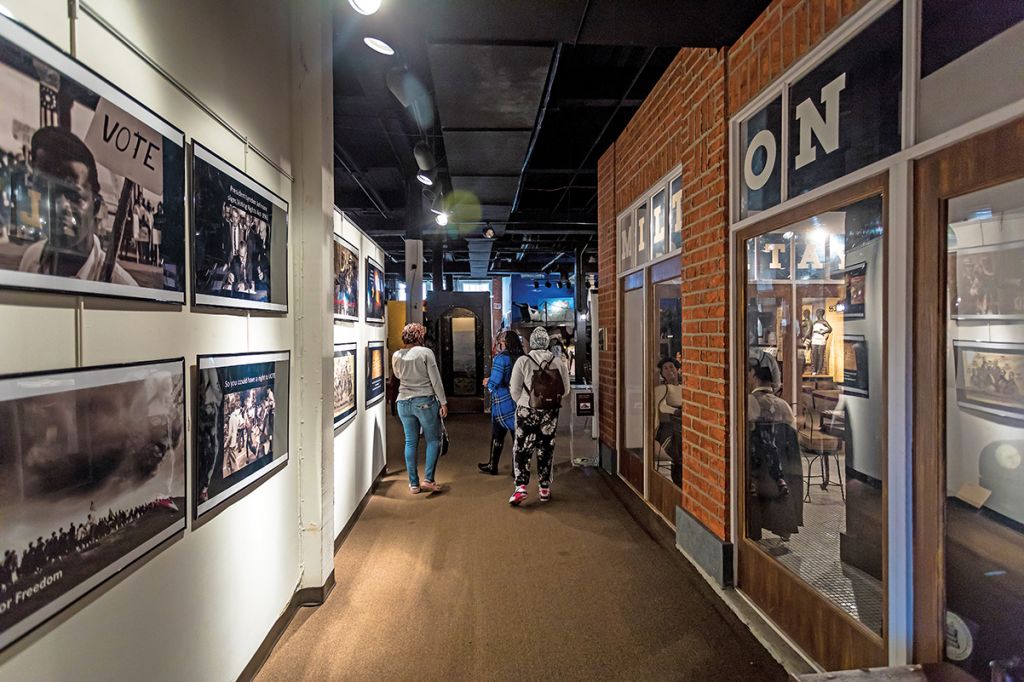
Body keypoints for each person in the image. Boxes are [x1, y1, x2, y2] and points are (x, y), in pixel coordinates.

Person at [18, 127, 137, 285]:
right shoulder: (31, 260)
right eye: (46, 191)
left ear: (95, 207)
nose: (58, 206)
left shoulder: (120, 286)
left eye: (73, 195)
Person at [508, 327, 570, 505]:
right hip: (550, 412)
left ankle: (521, 487)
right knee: (546, 447)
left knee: (522, 448)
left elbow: (514, 389)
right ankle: (544, 488)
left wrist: (525, 401)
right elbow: (565, 390)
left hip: (526, 410)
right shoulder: (558, 361)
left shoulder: (523, 361)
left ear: (532, 343)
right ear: (547, 343)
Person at [746, 357, 803, 542]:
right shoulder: (783, 405)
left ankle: (752, 530)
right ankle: (783, 527)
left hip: (755, 465)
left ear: (753, 376)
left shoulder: (750, 401)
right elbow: (792, 440)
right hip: (781, 467)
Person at [392, 323, 448, 494]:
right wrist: (443, 402)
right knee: (433, 440)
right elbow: (435, 379)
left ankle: (414, 484)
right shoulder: (425, 353)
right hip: (424, 401)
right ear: (419, 336)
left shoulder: (396, 355)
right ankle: (428, 480)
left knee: (410, 441)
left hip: (403, 402)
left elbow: (397, 376)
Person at [478, 330, 524, 474]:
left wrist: (488, 383)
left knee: (497, 433)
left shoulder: (501, 359)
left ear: (505, 343)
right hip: (520, 399)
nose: (499, 345)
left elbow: (495, 381)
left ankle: (493, 465)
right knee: (517, 436)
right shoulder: (523, 357)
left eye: (500, 343)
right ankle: (516, 469)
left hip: (503, 400)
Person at [653, 358, 683, 486]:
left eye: (671, 367)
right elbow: (662, 406)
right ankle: (679, 479)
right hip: (669, 427)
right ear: (662, 374)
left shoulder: (684, 387)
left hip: (683, 423)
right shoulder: (663, 388)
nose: (669, 370)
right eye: (665, 368)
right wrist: (676, 411)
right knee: (678, 445)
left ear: (677, 370)